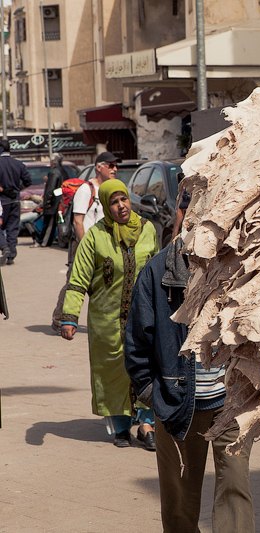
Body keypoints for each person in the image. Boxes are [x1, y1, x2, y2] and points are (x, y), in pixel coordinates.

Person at [125, 233, 255, 533]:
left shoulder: (242, 262)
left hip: (231, 402)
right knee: (179, 507)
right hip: (177, 404)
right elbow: (136, 342)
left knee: (235, 492)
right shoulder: (160, 271)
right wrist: (154, 394)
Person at [60, 180, 159, 448]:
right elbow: (78, 278)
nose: (120, 206)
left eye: (123, 200)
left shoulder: (148, 230)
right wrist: (70, 316)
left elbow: (159, 272)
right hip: (106, 320)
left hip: (144, 316)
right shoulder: (95, 236)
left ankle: (147, 423)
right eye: (113, 202)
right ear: (105, 206)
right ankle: (121, 427)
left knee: (148, 366)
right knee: (113, 372)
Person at [51, 151, 119, 330]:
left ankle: (104, 322)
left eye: (115, 166)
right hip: (84, 245)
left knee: (106, 282)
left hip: (106, 246)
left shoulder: (111, 189)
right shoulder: (86, 189)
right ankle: (60, 318)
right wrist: (85, 248)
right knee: (75, 282)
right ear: (99, 167)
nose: (115, 169)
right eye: (111, 165)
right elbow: (78, 221)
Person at [0, 139, 32, 265]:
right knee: (12, 228)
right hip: (15, 200)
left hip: (2, 202)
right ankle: (11, 255)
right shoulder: (18, 164)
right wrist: (17, 190)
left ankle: (4, 247)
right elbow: (28, 181)